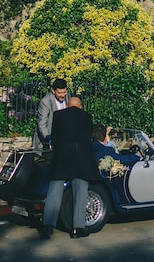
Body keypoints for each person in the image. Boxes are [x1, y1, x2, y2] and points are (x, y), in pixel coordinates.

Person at [40, 97, 101, 240]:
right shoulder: (87, 117)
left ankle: (48, 226)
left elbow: (54, 136)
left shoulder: (58, 115)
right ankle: (77, 228)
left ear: (67, 106)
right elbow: (87, 138)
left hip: (62, 158)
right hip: (81, 159)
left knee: (54, 192)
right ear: (80, 106)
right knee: (80, 192)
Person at [32, 78, 68, 151]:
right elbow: (42, 124)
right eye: (59, 93)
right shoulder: (45, 102)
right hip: (47, 142)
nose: (63, 95)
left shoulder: (68, 98)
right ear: (53, 91)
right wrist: (49, 140)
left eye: (64, 92)